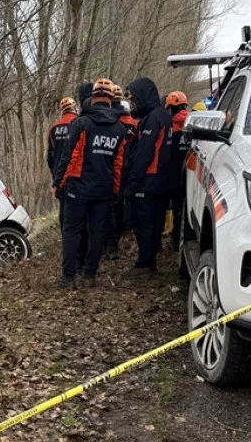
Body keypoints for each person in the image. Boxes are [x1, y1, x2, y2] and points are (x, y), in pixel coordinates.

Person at [52, 78, 127, 289]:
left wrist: (58, 183)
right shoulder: (119, 130)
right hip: (103, 189)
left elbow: (69, 157)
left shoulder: (81, 123)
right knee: (97, 232)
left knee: (71, 230)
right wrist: (115, 190)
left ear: (93, 98)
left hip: (78, 188)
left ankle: (68, 277)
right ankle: (89, 275)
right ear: (111, 100)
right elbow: (118, 165)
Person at [125, 77, 173, 274]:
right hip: (161, 181)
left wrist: (132, 184)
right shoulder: (164, 116)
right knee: (155, 223)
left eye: (134, 99)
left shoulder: (152, 119)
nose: (132, 104)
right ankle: (149, 260)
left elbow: (145, 154)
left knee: (144, 224)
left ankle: (145, 263)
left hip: (148, 181)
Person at [102, 86, 137, 260]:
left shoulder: (110, 120)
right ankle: (126, 227)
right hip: (128, 164)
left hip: (113, 164)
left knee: (112, 203)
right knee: (125, 199)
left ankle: (112, 237)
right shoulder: (132, 121)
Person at [164, 91, 189, 252]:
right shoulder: (195, 124)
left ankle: (176, 239)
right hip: (193, 174)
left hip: (173, 176)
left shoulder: (171, 127)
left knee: (176, 208)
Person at [46, 97, 78, 179]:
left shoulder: (54, 128)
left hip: (59, 176)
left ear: (62, 111)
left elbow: (50, 156)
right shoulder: (80, 125)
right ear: (75, 108)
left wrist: (55, 174)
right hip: (76, 176)